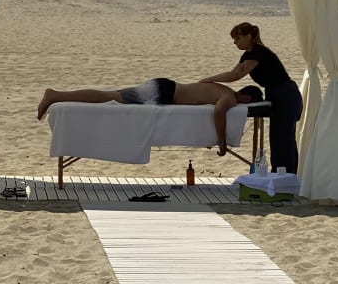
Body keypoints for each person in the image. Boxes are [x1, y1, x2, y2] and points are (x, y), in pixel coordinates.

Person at [36, 79, 262, 155]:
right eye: (248, 102)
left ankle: (57, 95)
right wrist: (222, 141)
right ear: (247, 97)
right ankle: (56, 95)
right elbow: (219, 112)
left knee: (111, 96)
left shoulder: (222, 89)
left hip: (165, 89)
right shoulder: (230, 97)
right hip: (164, 92)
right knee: (109, 97)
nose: (244, 106)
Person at [202, 22, 303, 174]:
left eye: (237, 38)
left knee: (283, 140)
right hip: (276, 94)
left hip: (286, 94)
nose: (235, 42)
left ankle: (285, 176)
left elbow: (236, 75)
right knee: (279, 139)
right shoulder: (248, 55)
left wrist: (209, 79)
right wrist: (211, 80)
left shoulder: (258, 53)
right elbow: (233, 72)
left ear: (248, 37)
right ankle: (283, 175)